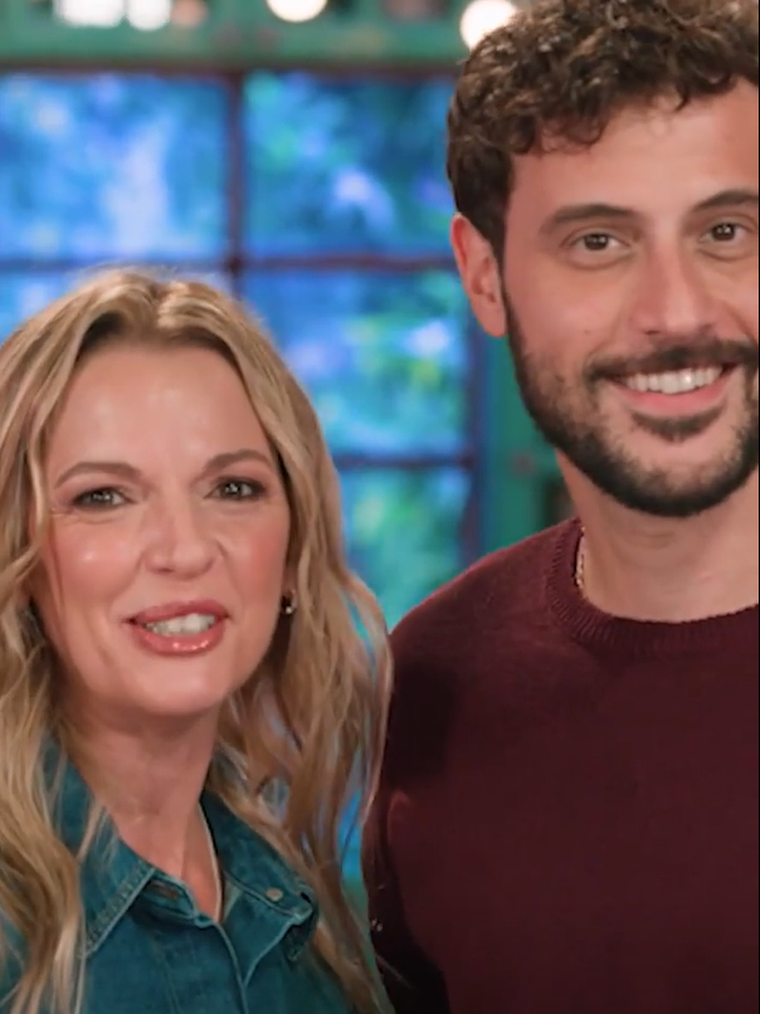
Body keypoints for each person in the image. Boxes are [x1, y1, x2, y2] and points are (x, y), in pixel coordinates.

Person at [363, 1, 759, 1012]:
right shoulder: (435, 681)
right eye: (597, 242)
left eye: (726, 230)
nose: (676, 310)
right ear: (484, 276)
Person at [0, 270, 391, 1014]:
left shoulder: (297, 911)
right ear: (18, 555)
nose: (184, 550)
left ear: (292, 549)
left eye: (233, 488)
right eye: (103, 498)